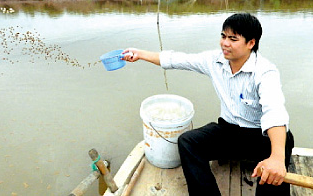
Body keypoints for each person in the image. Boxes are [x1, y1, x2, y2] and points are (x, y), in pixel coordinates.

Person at [122, 13, 294, 195]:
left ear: (251, 43)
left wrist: (276, 157)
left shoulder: (265, 72)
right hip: (229, 131)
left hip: (263, 137)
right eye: (223, 36)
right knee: (188, 142)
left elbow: (274, 112)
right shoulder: (214, 61)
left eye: (233, 39)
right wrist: (140, 54)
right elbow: (176, 59)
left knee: (275, 173)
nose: (225, 43)